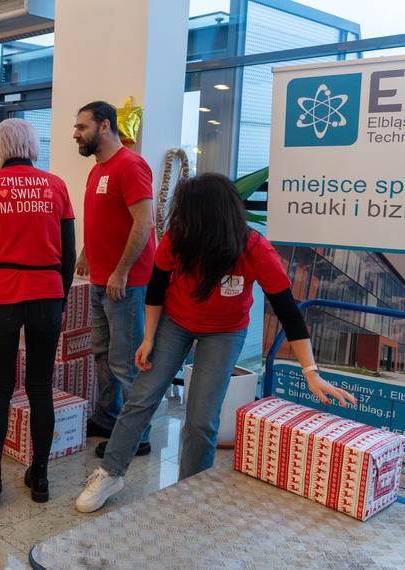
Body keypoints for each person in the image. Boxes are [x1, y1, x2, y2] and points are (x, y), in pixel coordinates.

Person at [75, 173, 358, 513]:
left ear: (207, 216)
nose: (179, 219)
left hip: (224, 331)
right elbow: (155, 289)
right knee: (142, 398)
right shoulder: (179, 239)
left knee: (202, 419)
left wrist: (310, 371)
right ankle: (111, 472)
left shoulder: (255, 249)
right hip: (175, 322)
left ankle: (190, 491)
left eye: (186, 212)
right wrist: (149, 337)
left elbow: (289, 313)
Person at [0, 118, 76, 508]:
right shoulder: (57, 185)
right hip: (47, 292)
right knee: (41, 388)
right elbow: (69, 254)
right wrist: (59, 300)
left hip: (2, 294)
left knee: (0, 387)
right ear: (32, 147)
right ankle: (40, 476)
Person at [73, 101, 157, 457]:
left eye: (82, 127)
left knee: (126, 364)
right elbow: (100, 220)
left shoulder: (131, 165)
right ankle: (107, 419)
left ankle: (137, 436)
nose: (76, 134)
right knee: (103, 356)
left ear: (105, 126)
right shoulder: (97, 170)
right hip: (101, 280)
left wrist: (121, 271)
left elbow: (145, 223)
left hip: (127, 284)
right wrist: (84, 254)